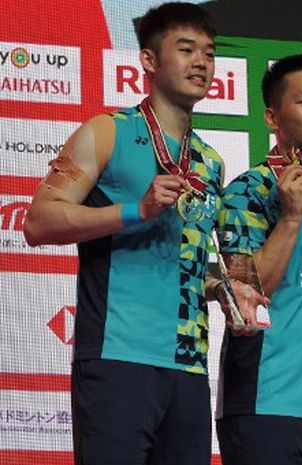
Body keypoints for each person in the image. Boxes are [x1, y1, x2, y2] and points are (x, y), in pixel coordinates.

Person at [23, 3, 263, 464]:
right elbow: (38, 222)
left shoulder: (210, 161)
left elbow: (187, 258)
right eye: (186, 49)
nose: (201, 63)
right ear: (149, 61)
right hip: (118, 359)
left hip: (190, 367)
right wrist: (137, 210)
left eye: (209, 54)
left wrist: (222, 289)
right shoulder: (108, 132)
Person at [215, 54, 302, 465]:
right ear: (272, 118)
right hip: (264, 400)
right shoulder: (248, 190)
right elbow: (245, 296)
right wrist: (292, 216)